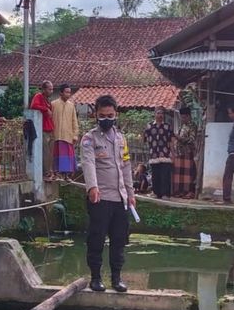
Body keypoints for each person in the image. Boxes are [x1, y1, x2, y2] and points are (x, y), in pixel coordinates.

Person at [80, 95, 136, 292]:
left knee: (119, 240)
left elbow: (126, 165)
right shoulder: (89, 139)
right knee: (96, 239)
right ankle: (96, 278)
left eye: (110, 115)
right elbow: (89, 163)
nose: (106, 119)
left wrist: (130, 193)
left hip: (120, 199)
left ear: (116, 115)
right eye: (102, 116)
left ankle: (116, 278)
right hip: (100, 199)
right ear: (96, 115)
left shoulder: (121, 139)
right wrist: (92, 187)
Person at [143, 106, 175, 199]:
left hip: (165, 154)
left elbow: (171, 140)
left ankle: (165, 194)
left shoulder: (167, 126)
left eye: (162, 113)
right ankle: (156, 193)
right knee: (155, 175)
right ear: (155, 114)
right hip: (154, 154)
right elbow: (145, 138)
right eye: (158, 113)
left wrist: (173, 153)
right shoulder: (149, 126)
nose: (160, 115)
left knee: (165, 175)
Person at [51, 83, 80, 180]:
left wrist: (75, 135)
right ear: (61, 93)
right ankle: (55, 174)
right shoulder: (53, 104)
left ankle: (66, 176)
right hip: (56, 135)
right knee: (55, 155)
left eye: (69, 92)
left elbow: (74, 121)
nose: (69, 94)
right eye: (66, 92)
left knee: (67, 157)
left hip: (68, 135)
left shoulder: (71, 106)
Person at [30, 80, 55, 179]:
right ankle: (46, 173)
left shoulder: (47, 100)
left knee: (50, 152)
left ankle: (50, 171)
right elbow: (33, 106)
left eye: (52, 89)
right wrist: (45, 109)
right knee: (45, 152)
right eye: (49, 89)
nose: (51, 91)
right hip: (43, 129)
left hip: (50, 128)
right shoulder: (38, 96)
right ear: (44, 89)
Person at [172, 107, 198, 198]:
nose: (182, 119)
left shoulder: (192, 126)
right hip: (180, 153)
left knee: (188, 173)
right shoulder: (182, 126)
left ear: (188, 116)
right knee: (180, 174)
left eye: (183, 117)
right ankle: (181, 191)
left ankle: (190, 191)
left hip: (188, 152)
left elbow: (191, 140)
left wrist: (178, 137)